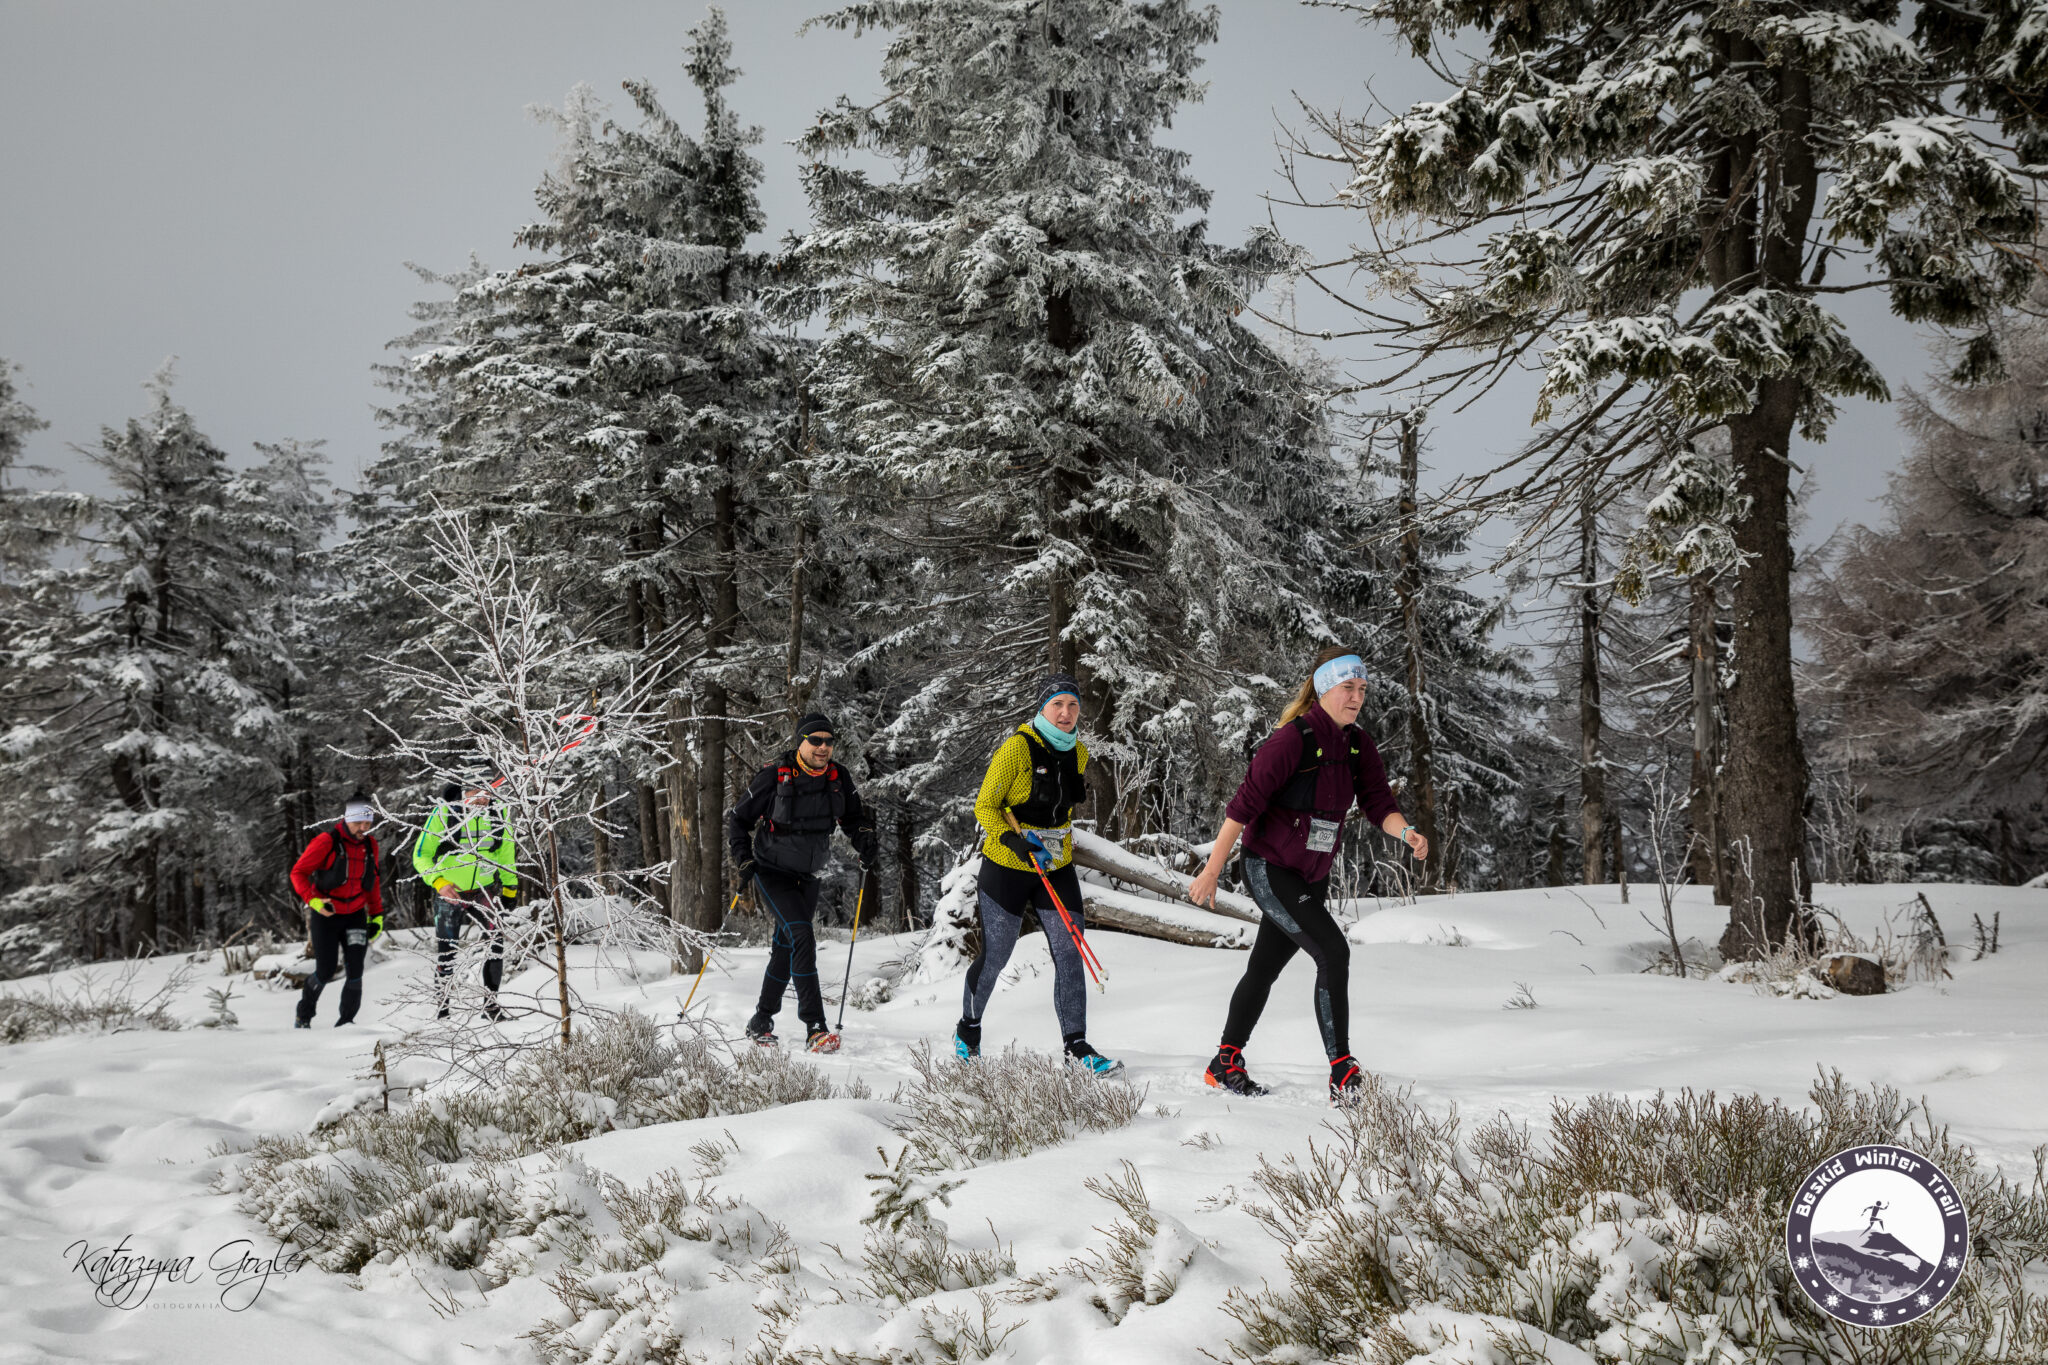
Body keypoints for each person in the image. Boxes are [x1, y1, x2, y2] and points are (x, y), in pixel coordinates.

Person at [1188, 647, 1428, 1105]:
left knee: (1264, 968)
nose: (1356, 697)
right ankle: (1343, 1071)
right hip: (1268, 867)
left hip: (1310, 874)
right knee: (1333, 952)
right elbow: (1241, 809)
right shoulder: (1291, 741)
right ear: (1323, 690)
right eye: (1347, 688)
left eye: (1362, 689)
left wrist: (1406, 832)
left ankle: (1224, 1062)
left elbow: (1378, 803)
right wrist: (1212, 870)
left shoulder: (1358, 745)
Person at [956, 673, 1121, 1077]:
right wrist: (1012, 841)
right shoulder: (1017, 748)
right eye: (1056, 705)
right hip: (1007, 865)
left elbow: (1061, 810)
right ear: (1042, 709)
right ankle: (968, 1031)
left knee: (1070, 950)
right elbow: (985, 806)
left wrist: (1056, 840)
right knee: (997, 955)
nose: (1065, 713)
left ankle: (1077, 1047)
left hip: (1054, 866)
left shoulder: (1078, 751)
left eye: (1072, 705)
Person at [727, 711, 880, 1052]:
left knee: (786, 947)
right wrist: (743, 858)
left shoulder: (838, 776)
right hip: (771, 870)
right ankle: (815, 1027)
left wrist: (865, 839)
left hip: (808, 875)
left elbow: (853, 818)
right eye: (815, 740)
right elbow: (738, 820)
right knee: (802, 935)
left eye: (829, 741)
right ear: (801, 742)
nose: (823, 747)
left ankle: (761, 1020)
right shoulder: (774, 775)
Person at [414, 766, 519, 1021]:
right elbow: (421, 855)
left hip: (484, 890)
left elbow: (505, 853)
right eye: (475, 793)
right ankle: (443, 1012)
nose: (482, 799)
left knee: (495, 943)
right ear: (463, 792)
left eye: (487, 793)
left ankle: (491, 1007)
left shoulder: (498, 812)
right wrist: (438, 882)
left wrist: (510, 887)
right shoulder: (445, 813)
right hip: (450, 891)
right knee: (447, 951)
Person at [288, 790, 385, 1028]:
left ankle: (346, 1023)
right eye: (359, 822)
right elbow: (298, 873)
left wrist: (377, 915)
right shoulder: (327, 841)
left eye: (368, 823)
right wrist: (313, 901)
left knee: (356, 970)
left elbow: (372, 881)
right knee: (326, 970)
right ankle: (304, 1015)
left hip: (355, 915)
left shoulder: (370, 845)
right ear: (347, 818)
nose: (364, 828)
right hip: (327, 914)